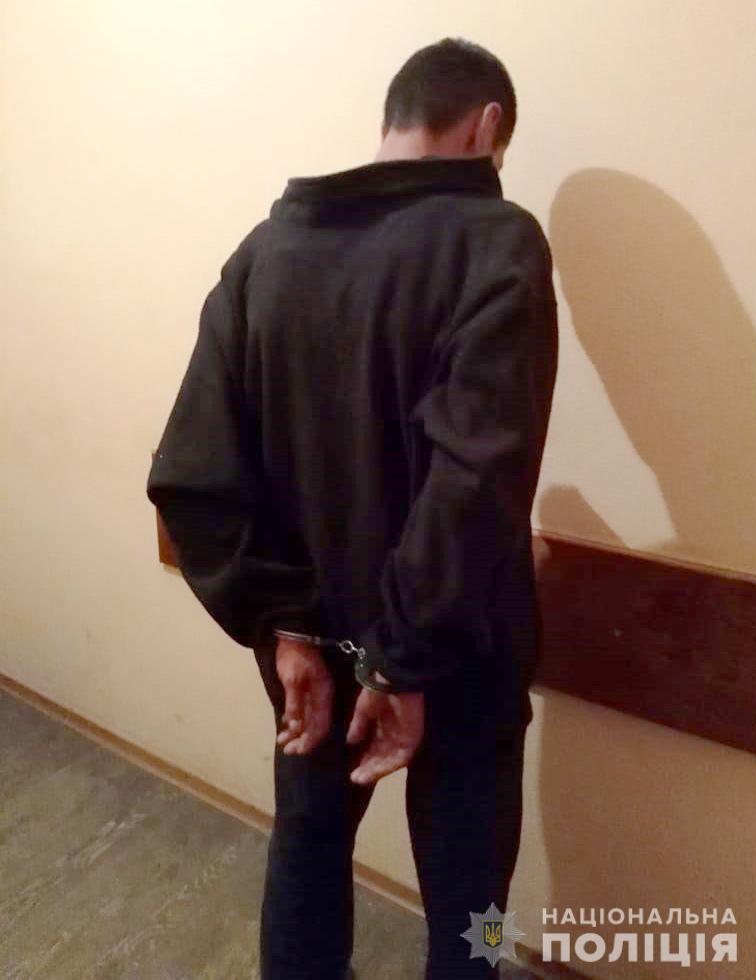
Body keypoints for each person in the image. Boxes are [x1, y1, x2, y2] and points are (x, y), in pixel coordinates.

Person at [146, 36, 558, 980]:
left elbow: (194, 472)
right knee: (472, 904)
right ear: (488, 126)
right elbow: (476, 477)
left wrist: (284, 626)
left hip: (312, 657)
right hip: (459, 653)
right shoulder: (497, 241)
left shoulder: (265, 252)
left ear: (392, 120)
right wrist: (401, 661)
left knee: (307, 847)